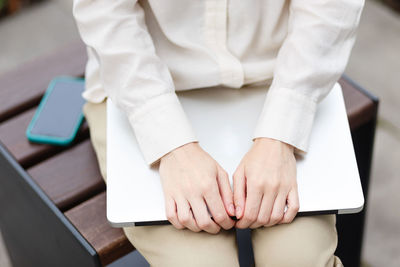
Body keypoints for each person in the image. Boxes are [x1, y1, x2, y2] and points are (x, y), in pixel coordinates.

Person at [73, 0, 364, 266]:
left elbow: (330, 10)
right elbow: (104, 14)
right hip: (141, 88)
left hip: (280, 78)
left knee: (298, 259)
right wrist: (171, 144)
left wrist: (280, 135)